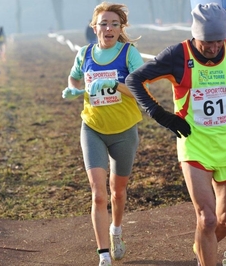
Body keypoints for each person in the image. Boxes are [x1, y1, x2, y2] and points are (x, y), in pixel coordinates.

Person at [125, 3, 226, 266]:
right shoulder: (177, 55)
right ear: (195, 34)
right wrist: (160, 114)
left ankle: (201, 248)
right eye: (207, 41)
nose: (213, 47)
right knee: (206, 219)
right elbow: (134, 81)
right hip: (194, 145)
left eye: (219, 40)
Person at [61, 2, 144, 265]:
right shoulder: (84, 53)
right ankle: (103, 254)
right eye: (103, 24)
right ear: (94, 27)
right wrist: (73, 89)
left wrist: (117, 85)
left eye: (114, 24)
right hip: (93, 128)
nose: (108, 28)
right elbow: (74, 77)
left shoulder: (130, 54)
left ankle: (116, 231)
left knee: (117, 192)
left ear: (121, 28)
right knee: (98, 194)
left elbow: (143, 89)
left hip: (124, 131)